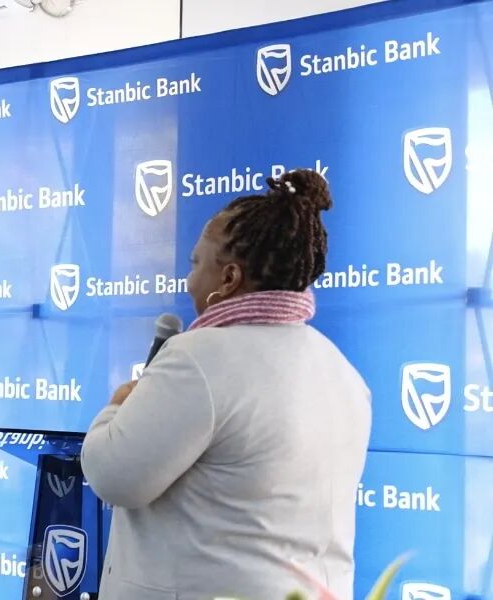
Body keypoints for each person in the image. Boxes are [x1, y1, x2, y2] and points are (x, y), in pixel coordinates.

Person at [81, 170, 371, 600]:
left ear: (229, 278)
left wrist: (118, 406)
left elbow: (114, 476)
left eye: (196, 263)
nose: (188, 281)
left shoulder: (197, 358)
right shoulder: (340, 368)